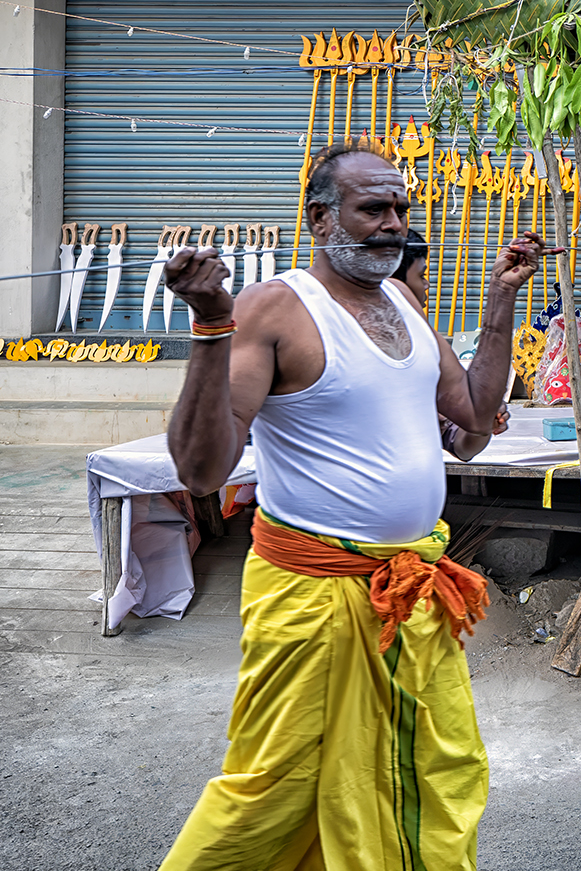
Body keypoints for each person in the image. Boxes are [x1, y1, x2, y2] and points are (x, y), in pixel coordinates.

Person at [158, 139, 546, 870]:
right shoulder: (273, 309)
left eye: (401, 208)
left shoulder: (401, 298)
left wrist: (502, 301)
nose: (394, 223)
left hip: (412, 598)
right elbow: (201, 469)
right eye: (374, 208)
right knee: (276, 787)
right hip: (311, 601)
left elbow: (470, 428)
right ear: (319, 219)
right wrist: (212, 322)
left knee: (436, 768)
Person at [392, 228, 511, 462]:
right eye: (421, 275)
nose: (426, 285)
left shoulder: (427, 346)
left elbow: (464, 447)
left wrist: (484, 420)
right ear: (393, 281)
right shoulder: (344, 342)